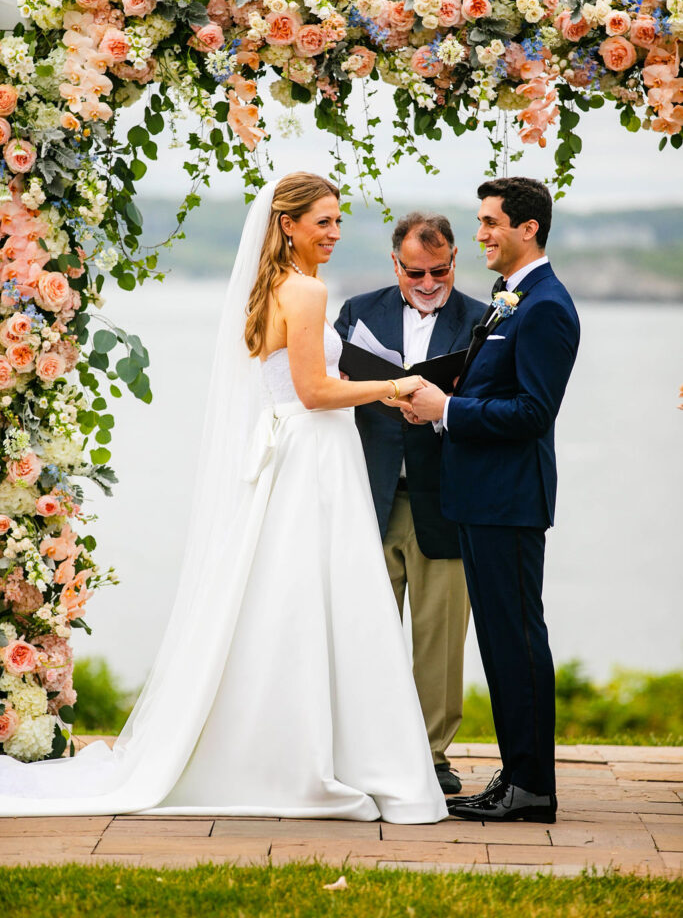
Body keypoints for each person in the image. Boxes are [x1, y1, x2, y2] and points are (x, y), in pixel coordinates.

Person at [0, 173, 447, 824]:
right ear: (287, 224)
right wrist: (393, 385)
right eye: (323, 221)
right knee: (317, 599)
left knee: (284, 597)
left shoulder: (266, 288)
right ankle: (319, 756)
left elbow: (291, 381)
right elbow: (314, 392)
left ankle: (277, 748)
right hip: (313, 452)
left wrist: (351, 383)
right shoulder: (306, 289)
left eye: (338, 221)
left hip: (288, 451)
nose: (334, 233)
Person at [405, 177, 580, 823]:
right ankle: (515, 776)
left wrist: (448, 408)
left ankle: (531, 787)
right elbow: (492, 384)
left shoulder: (545, 307)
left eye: (488, 223)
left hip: (508, 500)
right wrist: (434, 398)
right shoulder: (514, 300)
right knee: (502, 643)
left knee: (516, 641)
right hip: (479, 499)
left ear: (526, 228)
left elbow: (533, 411)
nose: (477, 235)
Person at [335, 212, 484, 794]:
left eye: (439, 270)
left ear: (454, 261)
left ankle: (431, 755)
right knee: (363, 628)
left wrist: (441, 403)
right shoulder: (358, 312)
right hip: (369, 493)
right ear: (394, 263)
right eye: (415, 271)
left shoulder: (480, 319)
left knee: (440, 635)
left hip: (445, 497)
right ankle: (364, 748)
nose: (427, 283)